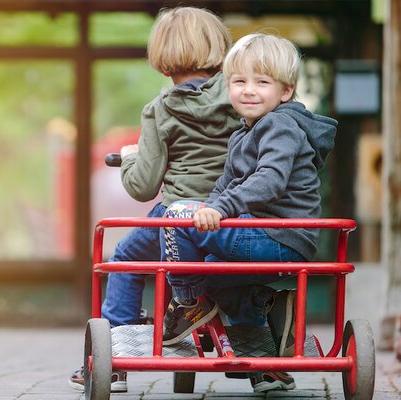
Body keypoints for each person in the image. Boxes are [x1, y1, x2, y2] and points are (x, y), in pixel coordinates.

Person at [69, 6, 240, 393]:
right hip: (232, 214)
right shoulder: (239, 98)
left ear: (162, 59)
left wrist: (130, 160)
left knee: (125, 260)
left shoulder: (161, 109)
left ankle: (113, 363)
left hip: (178, 217)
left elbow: (143, 186)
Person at [161, 33, 337, 393]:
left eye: (262, 82)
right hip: (265, 235)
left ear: (285, 92)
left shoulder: (280, 126)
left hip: (277, 235)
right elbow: (223, 187)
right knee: (210, 267)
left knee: (175, 218)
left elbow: (269, 181)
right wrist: (212, 207)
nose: (249, 90)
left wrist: (216, 210)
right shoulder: (243, 135)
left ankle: (186, 303)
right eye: (239, 81)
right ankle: (265, 348)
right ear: (227, 87)